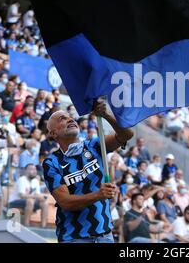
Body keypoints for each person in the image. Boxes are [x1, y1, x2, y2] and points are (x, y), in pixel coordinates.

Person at [42, 99, 134, 243]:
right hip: (74, 238)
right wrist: (98, 195)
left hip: (105, 236)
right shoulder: (52, 162)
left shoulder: (94, 145)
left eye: (70, 117)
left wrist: (106, 115)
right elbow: (65, 202)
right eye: (62, 119)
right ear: (54, 134)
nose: (70, 119)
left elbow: (127, 135)